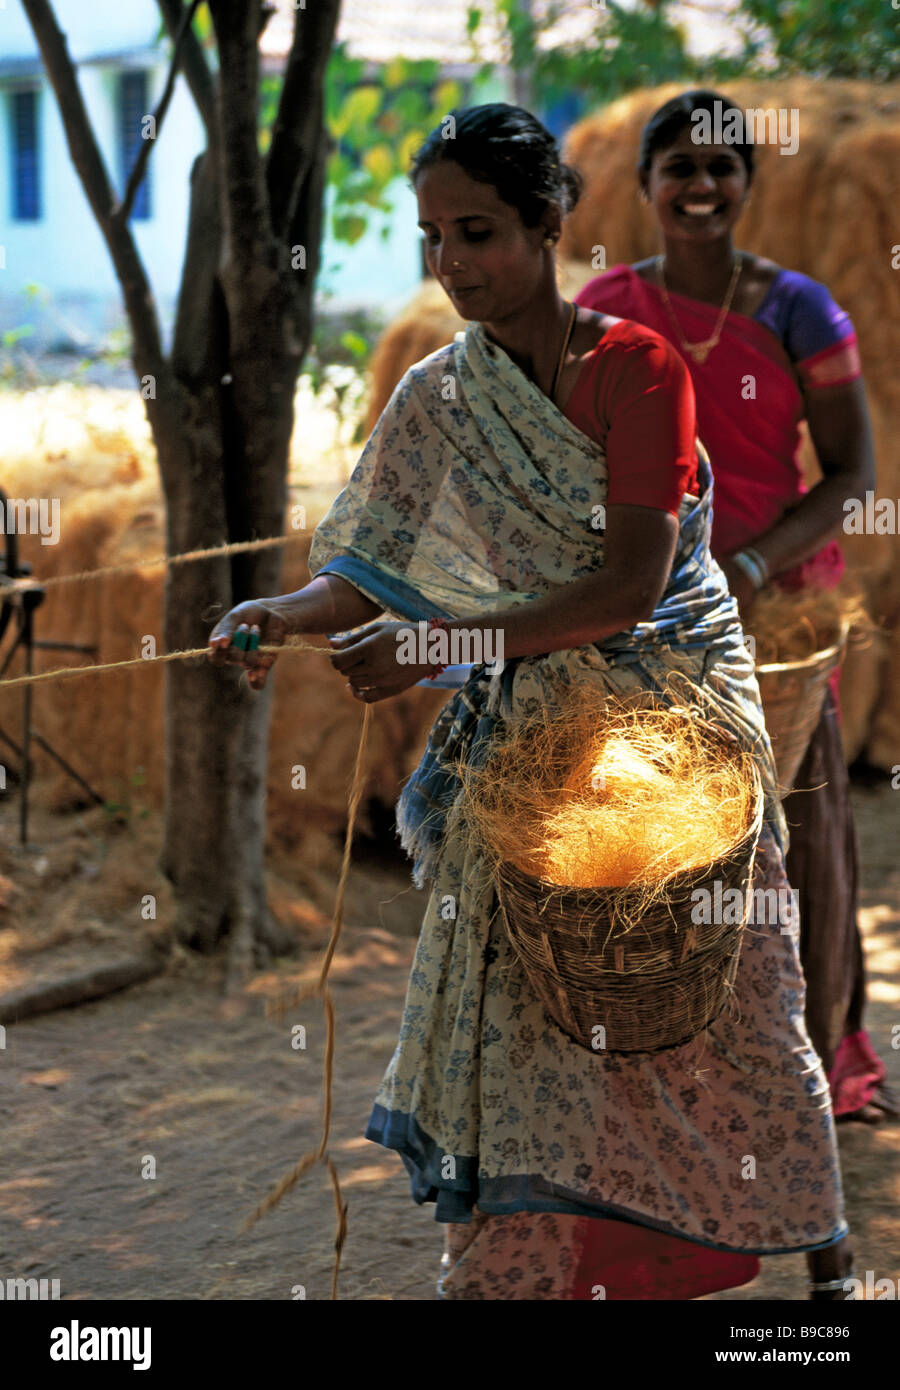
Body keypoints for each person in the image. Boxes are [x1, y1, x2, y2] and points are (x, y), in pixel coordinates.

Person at [209, 104, 852, 1300]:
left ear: (552, 225)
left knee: (742, 994)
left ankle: (826, 1257)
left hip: (681, 730)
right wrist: (278, 618)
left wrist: (436, 645)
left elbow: (628, 584)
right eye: (433, 238)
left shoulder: (635, 368)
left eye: (480, 232)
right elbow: (369, 561)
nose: (451, 263)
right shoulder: (442, 392)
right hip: (536, 744)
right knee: (527, 1017)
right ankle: (522, 1272)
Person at [573, 88, 897, 1125]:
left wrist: (753, 568)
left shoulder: (801, 308)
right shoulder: (611, 307)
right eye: (681, 169)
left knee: (797, 838)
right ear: (646, 187)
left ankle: (813, 1064)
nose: (702, 187)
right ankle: (677, 1068)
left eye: (723, 170)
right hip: (654, 614)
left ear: (748, 186)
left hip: (783, 615)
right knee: (666, 840)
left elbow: (851, 472)